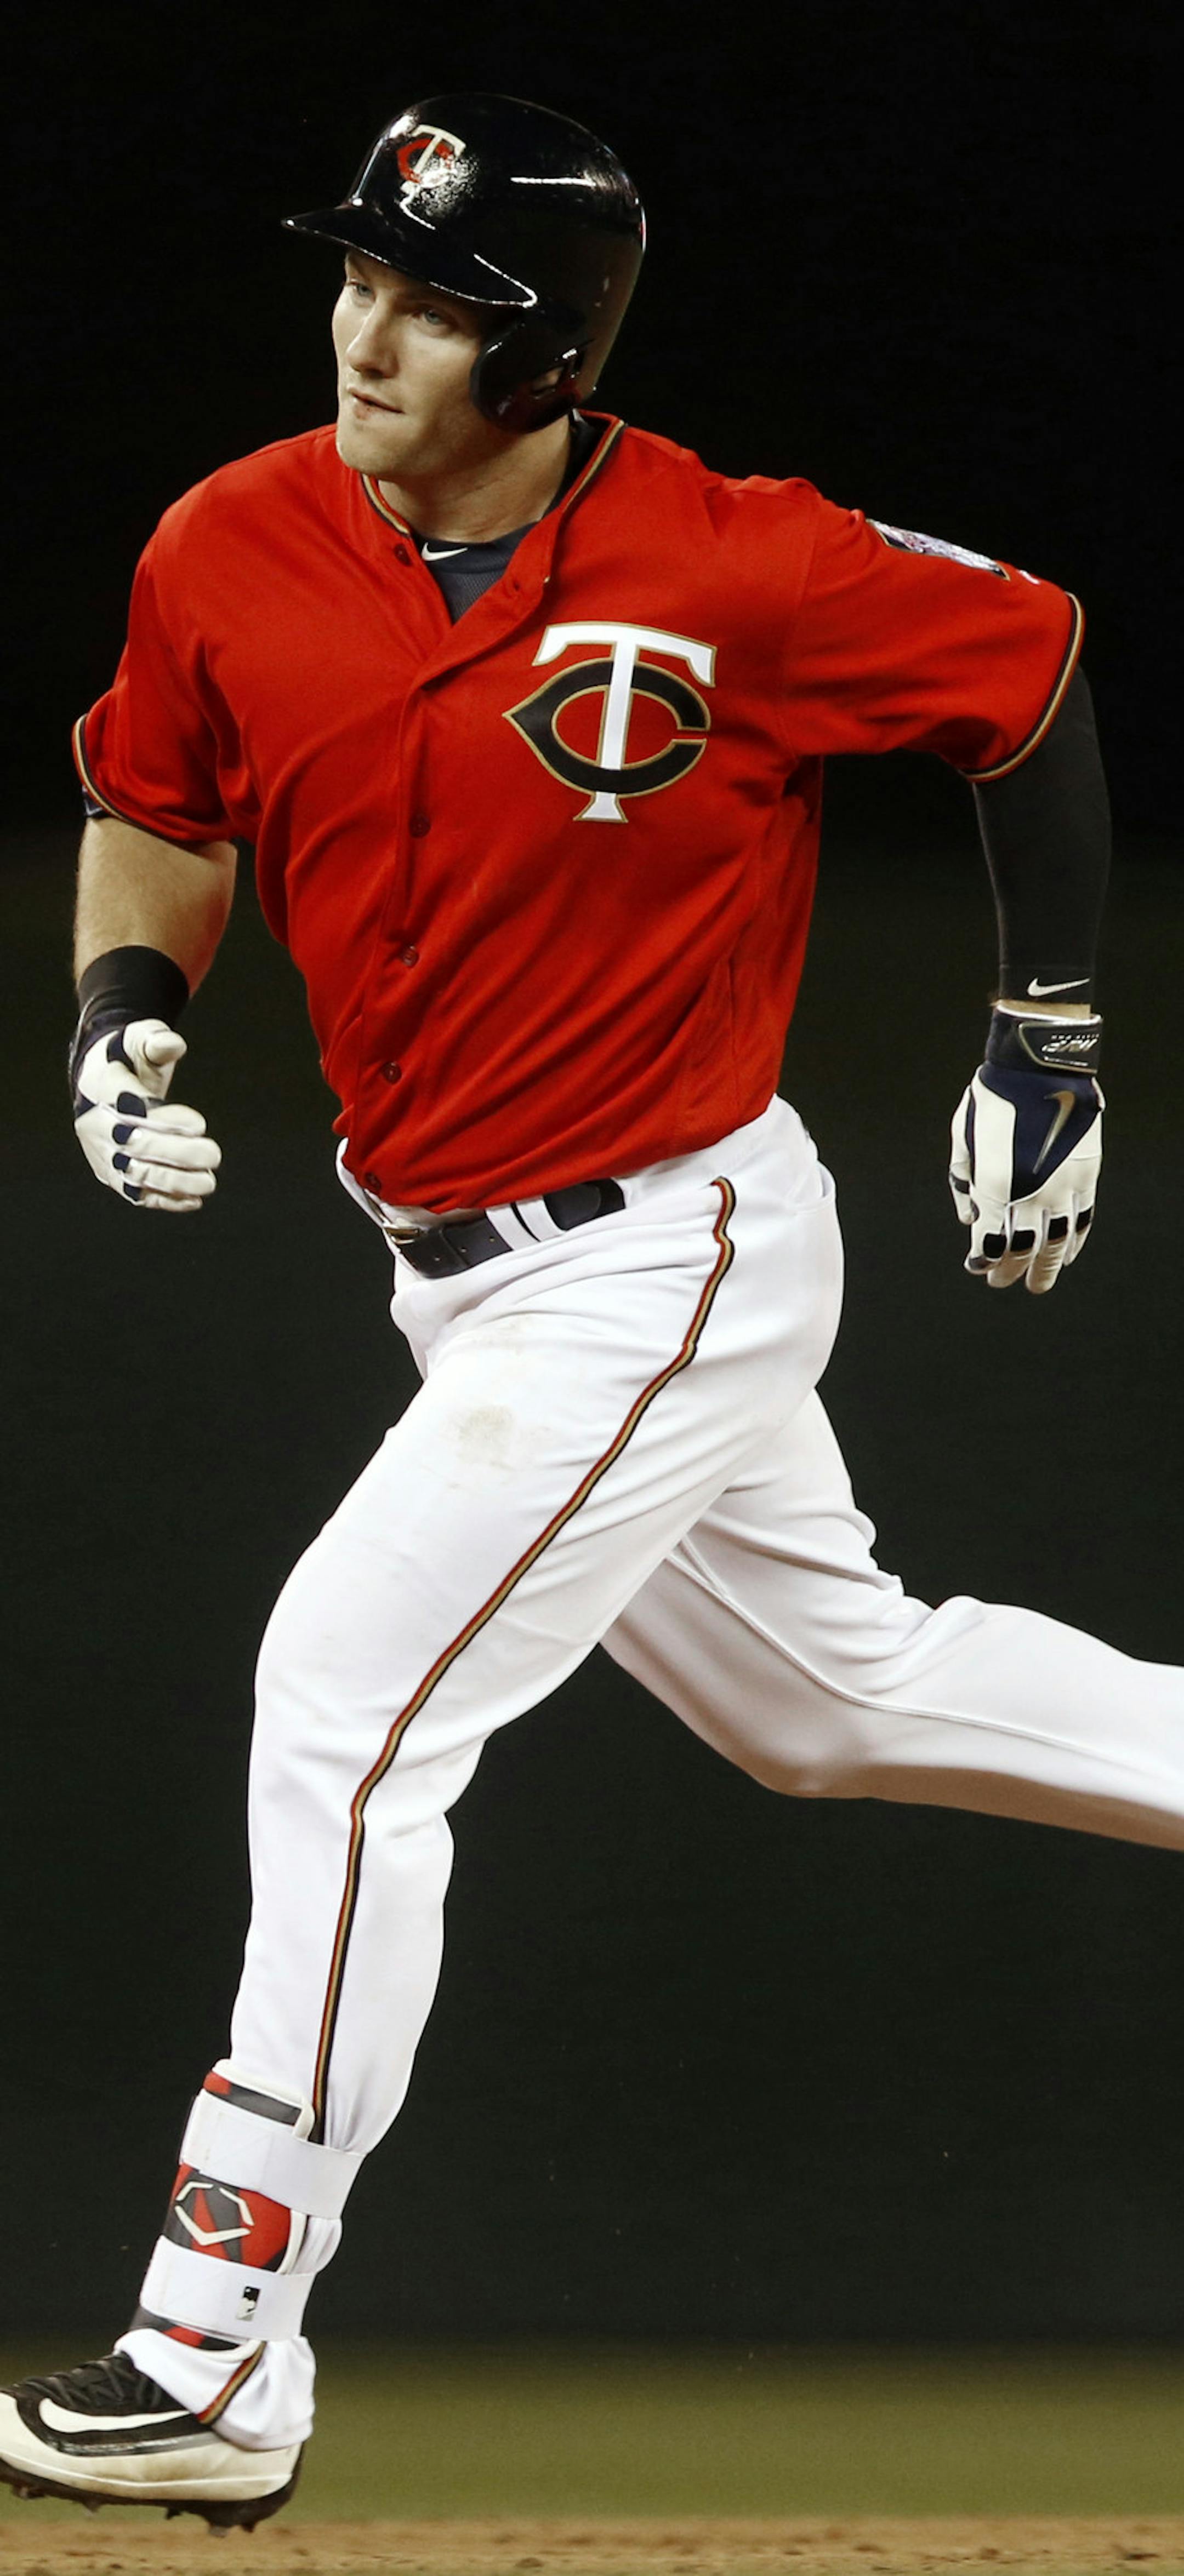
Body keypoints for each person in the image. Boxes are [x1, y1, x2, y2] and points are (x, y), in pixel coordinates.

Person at [1, 89, 1177, 2537]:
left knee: (341, 1699)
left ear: (540, 363)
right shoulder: (232, 536)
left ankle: (218, 2344)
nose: (366, 327)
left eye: (430, 301)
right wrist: (123, 1007)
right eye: (358, 274)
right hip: (455, 1267)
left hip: (670, 1241)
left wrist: (1046, 1024)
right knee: (837, 1708)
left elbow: (1033, 662)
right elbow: (158, 799)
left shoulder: (731, 563)